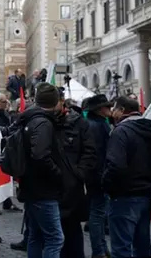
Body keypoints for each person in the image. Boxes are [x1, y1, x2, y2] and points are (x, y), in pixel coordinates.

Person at [103, 96, 151, 258]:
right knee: (142, 246)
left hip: (124, 195)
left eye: (115, 109)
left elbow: (115, 164)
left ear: (122, 110)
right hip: (145, 194)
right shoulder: (149, 130)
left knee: (121, 247)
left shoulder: (121, 132)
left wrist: (106, 185)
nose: (113, 113)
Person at [17, 83, 64, 258]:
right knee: (55, 238)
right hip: (43, 189)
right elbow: (40, 155)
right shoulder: (43, 123)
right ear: (55, 102)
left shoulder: (29, 118)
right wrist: (58, 173)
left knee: (35, 235)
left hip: (31, 186)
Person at [55, 94, 96, 258]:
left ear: (61, 102)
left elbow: (90, 152)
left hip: (72, 187)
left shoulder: (78, 122)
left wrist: (79, 173)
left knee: (72, 230)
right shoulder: (43, 121)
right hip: (50, 187)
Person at [84, 94, 113, 258]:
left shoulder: (95, 124)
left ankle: (101, 247)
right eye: (107, 107)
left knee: (98, 213)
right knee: (97, 214)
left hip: (96, 174)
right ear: (100, 109)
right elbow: (98, 154)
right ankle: (99, 250)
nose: (110, 109)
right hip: (98, 175)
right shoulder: (98, 126)